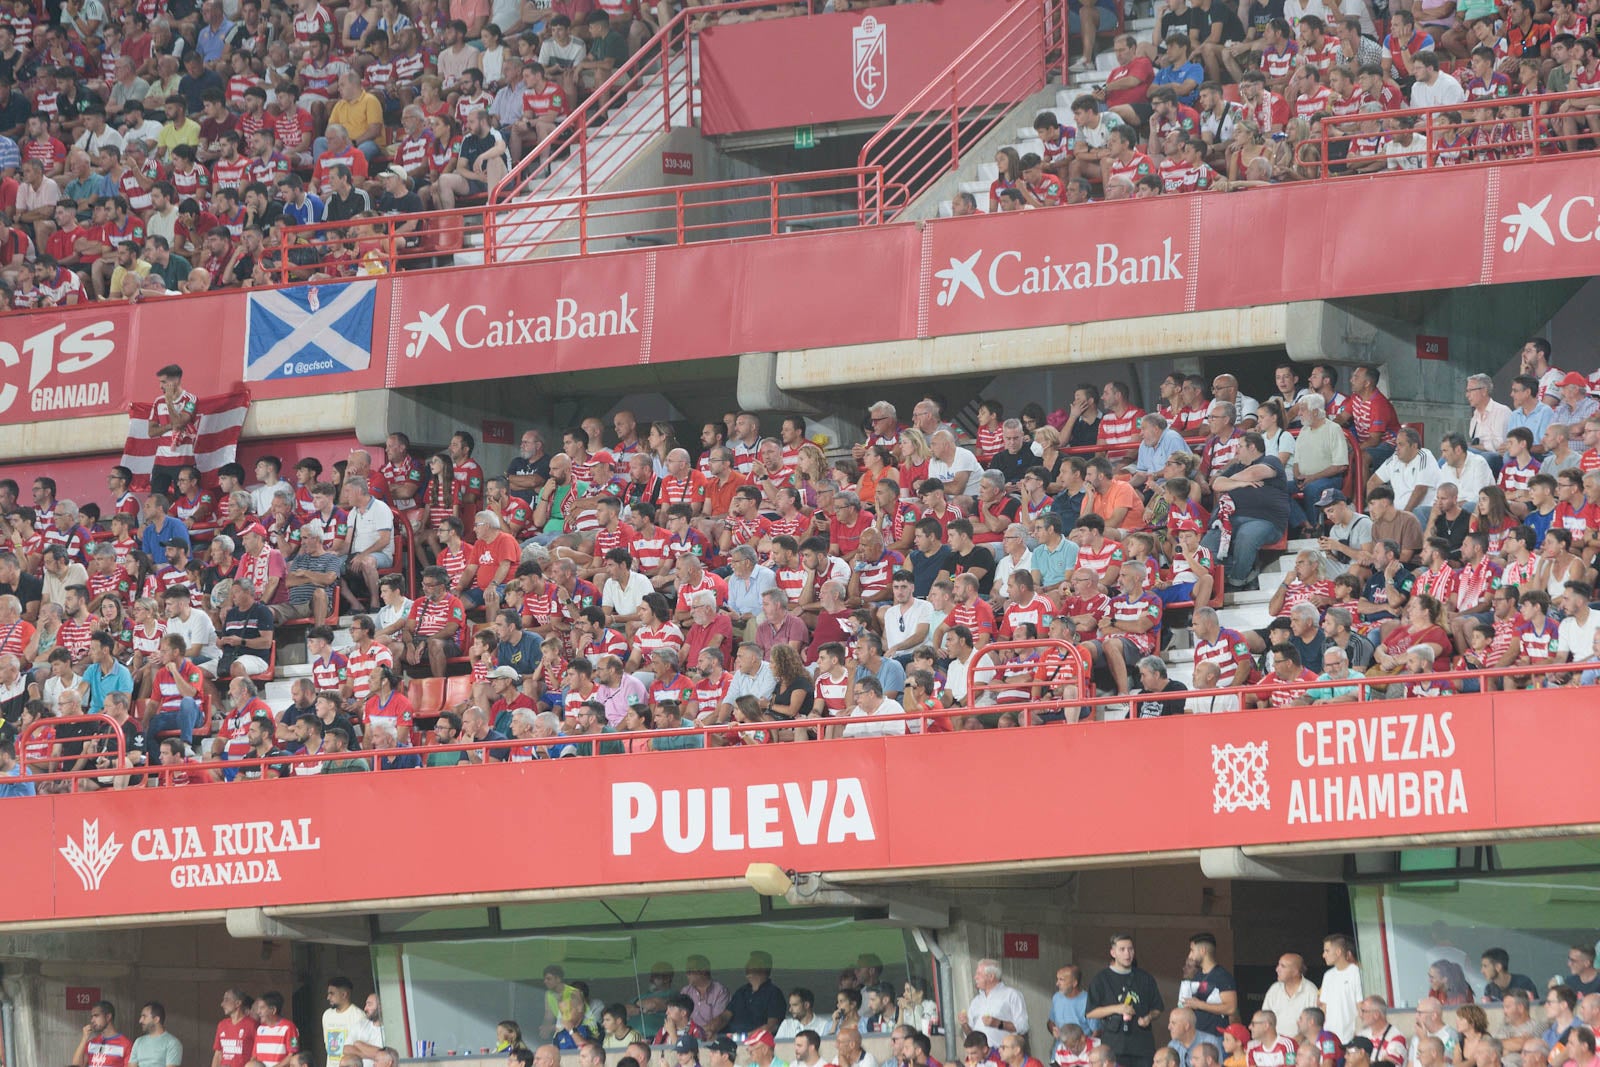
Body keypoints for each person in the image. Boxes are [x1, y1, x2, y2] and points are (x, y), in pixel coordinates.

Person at [1088, 934, 1164, 1067]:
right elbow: (1091, 1012)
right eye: (1122, 949)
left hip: (1142, 1047)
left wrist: (1149, 1017)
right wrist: (1116, 1008)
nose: (1127, 954)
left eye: (1130, 949)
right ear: (1113, 952)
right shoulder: (1101, 979)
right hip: (1114, 1046)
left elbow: (1158, 1008)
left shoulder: (1145, 978)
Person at [1320, 936, 1362, 1043]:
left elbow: (1360, 1005)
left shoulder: (1356, 973)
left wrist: (1359, 1032)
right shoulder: (1328, 975)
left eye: (1327, 951)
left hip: (1350, 1036)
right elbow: (1324, 1007)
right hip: (1329, 1037)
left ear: (1338, 952)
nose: (1323, 955)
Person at [129, 1002, 183, 1067]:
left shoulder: (172, 1043)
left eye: (144, 1016)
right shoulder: (138, 1042)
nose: (140, 1020)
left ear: (156, 1019)